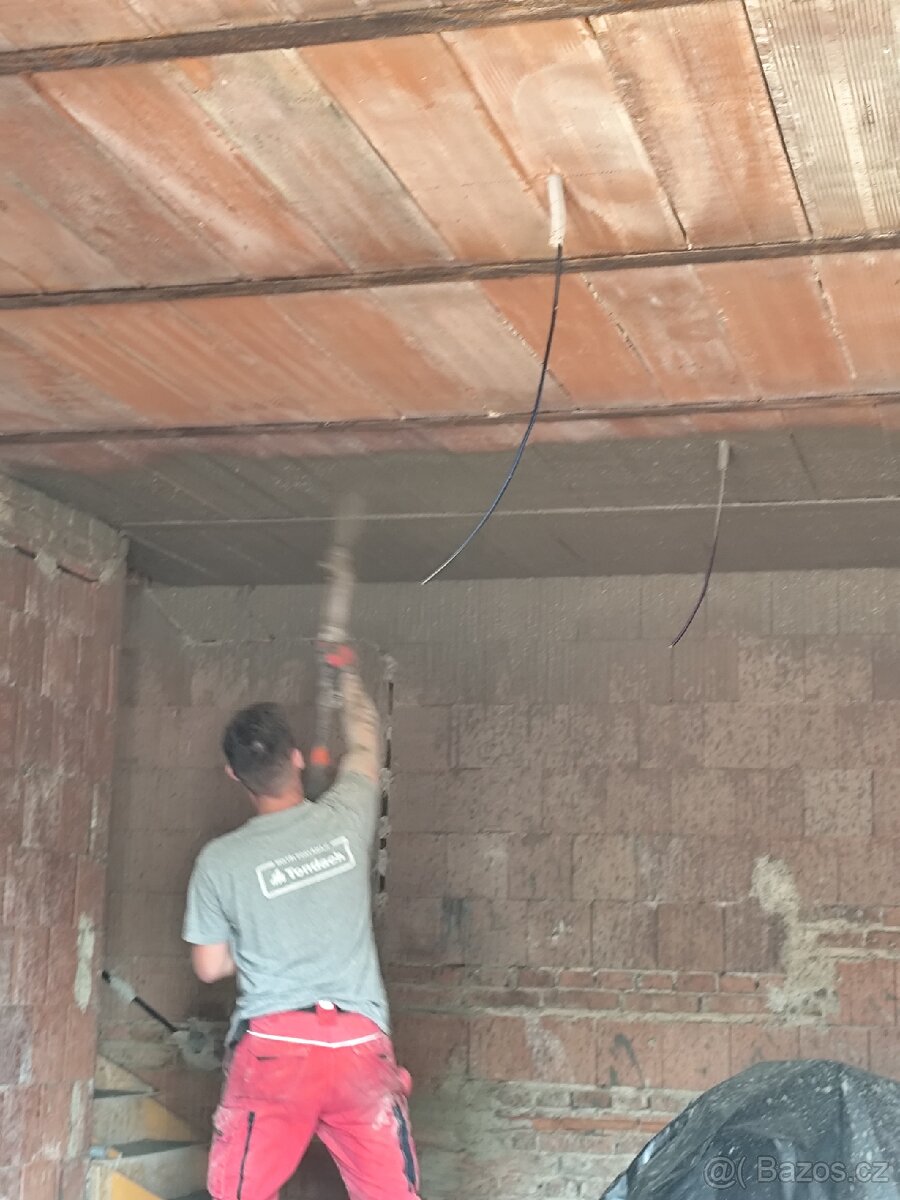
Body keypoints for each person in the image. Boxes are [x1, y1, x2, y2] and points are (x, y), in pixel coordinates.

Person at [182, 650, 420, 1200]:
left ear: (233, 775)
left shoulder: (219, 861)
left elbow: (210, 966)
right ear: (295, 757)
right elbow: (366, 741)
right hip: (359, 1047)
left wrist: (261, 937)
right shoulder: (346, 816)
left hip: (274, 1051)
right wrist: (347, 675)